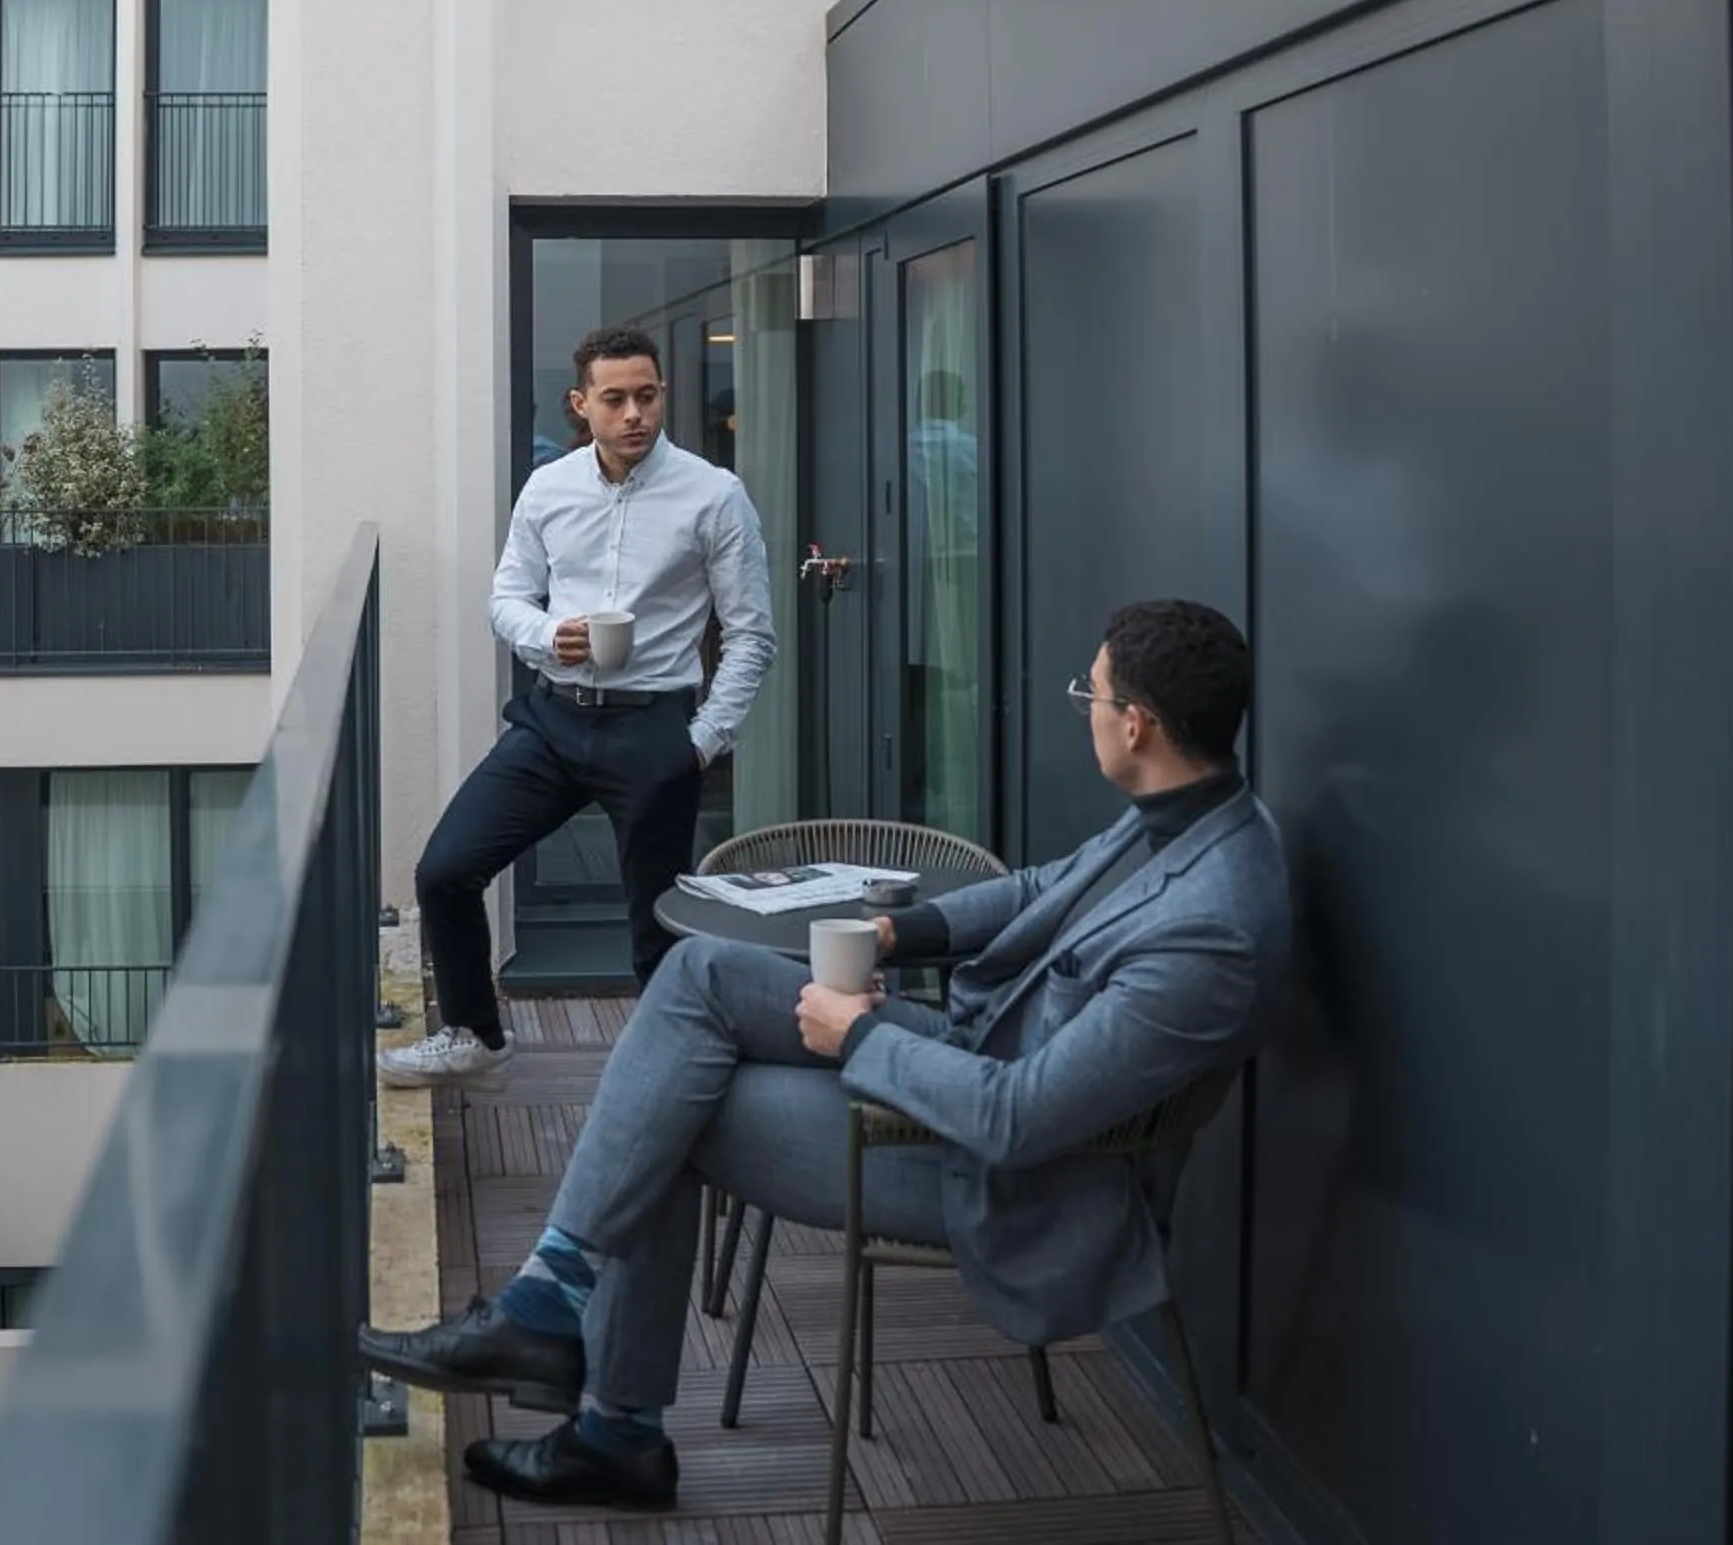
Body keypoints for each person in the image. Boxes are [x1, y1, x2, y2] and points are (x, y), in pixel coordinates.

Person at [362, 599, 1291, 1512]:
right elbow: (1038, 891)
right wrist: (894, 932)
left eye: (1087, 695)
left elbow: (1022, 1121)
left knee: (670, 1112)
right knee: (698, 977)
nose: (1081, 707)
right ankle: (555, 1314)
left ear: (1136, 724)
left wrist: (860, 1034)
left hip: (1017, 1180)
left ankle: (608, 1419)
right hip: (970, 1058)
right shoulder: (1181, 812)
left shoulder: (1210, 929)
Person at [378, 325, 778, 1092]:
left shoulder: (713, 495)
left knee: (658, 930)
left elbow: (753, 636)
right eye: (616, 398)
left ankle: (669, 1082)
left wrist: (701, 742)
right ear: (581, 403)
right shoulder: (549, 488)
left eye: (647, 395)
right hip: (554, 720)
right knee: (446, 870)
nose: (635, 414)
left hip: (656, 729)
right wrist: (544, 639)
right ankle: (475, 1035)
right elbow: (506, 598)